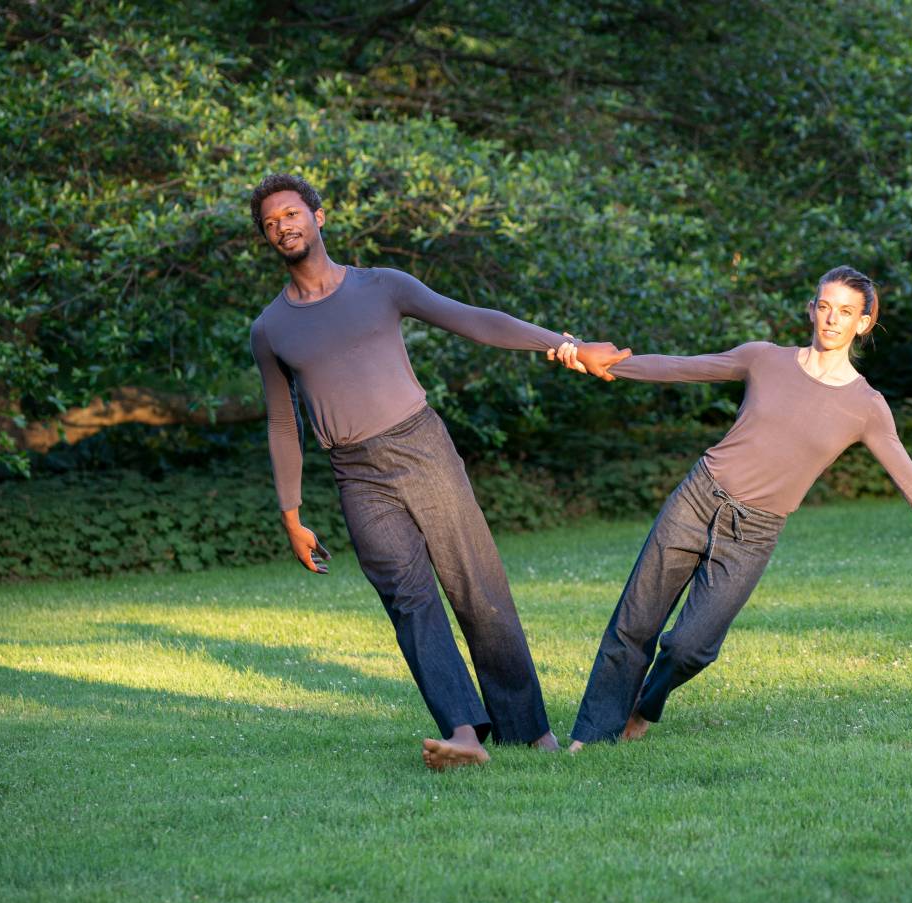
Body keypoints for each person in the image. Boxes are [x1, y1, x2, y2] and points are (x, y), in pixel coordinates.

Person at [246, 172, 629, 769]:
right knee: (408, 598)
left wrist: (569, 346)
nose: (282, 228)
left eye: (291, 214)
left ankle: (529, 731)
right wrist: (291, 514)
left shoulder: (383, 286)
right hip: (355, 472)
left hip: (420, 444)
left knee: (476, 583)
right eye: (270, 224)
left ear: (319, 218)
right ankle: (463, 734)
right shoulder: (270, 329)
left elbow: (474, 319)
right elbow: (280, 421)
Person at [549, 266, 912, 749]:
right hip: (697, 500)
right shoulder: (763, 359)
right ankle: (590, 737)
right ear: (811, 308)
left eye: (845, 312)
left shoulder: (867, 407)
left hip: (753, 533)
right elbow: (681, 367)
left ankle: (646, 703)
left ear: (863, 323)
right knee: (635, 623)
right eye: (824, 306)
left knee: (691, 647)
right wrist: (603, 362)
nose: (831, 320)